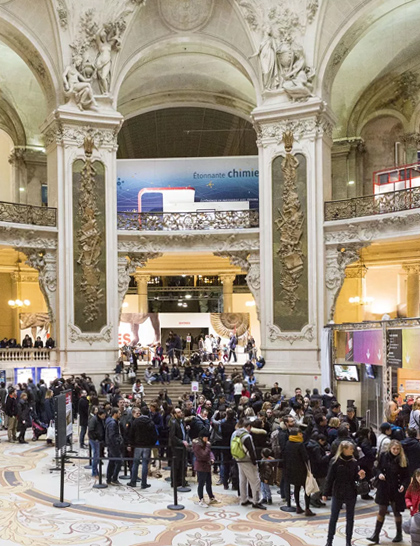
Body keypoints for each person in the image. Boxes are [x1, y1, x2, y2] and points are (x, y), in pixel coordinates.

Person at [323, 440, 365, 546]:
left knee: (350, 518)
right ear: (344, 450)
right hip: (338, 491)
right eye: (350, 449)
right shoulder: (335, 461)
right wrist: (325, 492)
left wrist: (360, 476)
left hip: (351, 492)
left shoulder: (354, 462)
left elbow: (355, 478)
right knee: (333, 517)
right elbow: (330, 478)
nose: (352, 450)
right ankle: (329, 541)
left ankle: (348, 542)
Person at [368, 440, 410, 544]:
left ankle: (399, 534)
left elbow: (406, 476)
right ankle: (376, 535)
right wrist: (379, 474)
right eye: (394, 449)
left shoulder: (403, 459)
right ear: (390, 448)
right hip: (384, 487)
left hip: (396, 488)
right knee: (382, 510)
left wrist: (404, 485)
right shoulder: (383, 456)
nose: (396, 451)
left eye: (398, 449)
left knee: (396, 511)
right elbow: (376, 468)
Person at [231, 419, 266, 509]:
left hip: (239, 458)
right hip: (247, 460)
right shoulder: (247, 436)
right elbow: (251, 450)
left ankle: (243, 499)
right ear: (249, 427)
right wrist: (254, 462)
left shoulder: (236, 433)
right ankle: (256, 501)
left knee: (242, 479)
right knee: (255, 480)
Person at [282, 426, 315, 516]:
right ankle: (307, 508)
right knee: (306, 489)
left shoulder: (288, 443)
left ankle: (298, 507)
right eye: (300, 433)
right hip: (301, 470)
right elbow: (305, 457)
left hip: (291, 470)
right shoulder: (300, 444)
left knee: (296, 488)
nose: (301, 435)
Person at [128, 406, 158, 489]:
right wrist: (151, 443)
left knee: (135, 463)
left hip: (137, 445)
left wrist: (131, 443)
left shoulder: (136, 422)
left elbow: (131, 433)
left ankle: (133, 481)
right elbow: (154, 435)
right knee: (145, 464)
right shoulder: (150, 422)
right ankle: (144, 483)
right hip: (147, 446)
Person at [193, 429, 220, 507]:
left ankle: (211, 497)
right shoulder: (197, 445)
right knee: (201, 483)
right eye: (205, 438)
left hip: (207, 466)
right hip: (201, 467)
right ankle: (201, 499)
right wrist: (208, 446)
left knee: (209, 483)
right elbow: (203, 455)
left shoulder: (205, 444)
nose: (207, 440)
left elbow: (210, 452)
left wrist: (212, 458)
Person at [169, 407, 189, 488]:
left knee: (182, 464)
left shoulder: (182, 421)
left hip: (182, 447)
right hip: (176, 447)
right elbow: (172, 436)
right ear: (174, 414)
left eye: (180, 411)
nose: (180, 413)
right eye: (178, 412)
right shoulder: (173, 423)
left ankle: (181, 480)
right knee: (176, 465)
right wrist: (182, 441)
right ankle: (174, 482)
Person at [105, 408, 124, 486]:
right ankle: (114, 478)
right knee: (119, 461)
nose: (120, 414)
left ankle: (109, 478)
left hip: (111, 445)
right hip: (113, 446)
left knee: (112, 462)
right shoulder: (112, 423)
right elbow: (112, 436)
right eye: (119, 413)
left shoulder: (112, 422)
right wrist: (118, 442)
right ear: (115, 414)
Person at [88, 407, 106, 481]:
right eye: (103, 415)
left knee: (98, 455)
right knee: (96, 456)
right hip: (95, 440)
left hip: (99, 439)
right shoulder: (94, 420)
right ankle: (94, 472)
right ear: (99, 415)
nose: (104, 416)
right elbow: (91, 430)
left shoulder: (101, 420)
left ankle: (96, 471)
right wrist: (96, 438)